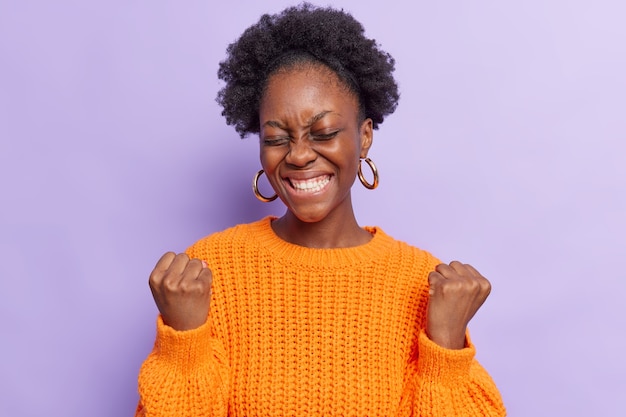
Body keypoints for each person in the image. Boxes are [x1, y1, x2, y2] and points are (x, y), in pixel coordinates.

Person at [135, 3, 506, 416]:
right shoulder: (208, 271)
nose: (298, 156)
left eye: (324, 132)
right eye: (276, 138)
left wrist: (446, 352)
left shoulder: (425, 283)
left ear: (364, 138)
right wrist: (184, 343)